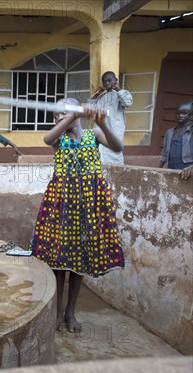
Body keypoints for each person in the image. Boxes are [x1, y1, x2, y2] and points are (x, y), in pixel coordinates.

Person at [30, 99, 125, 333]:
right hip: (62, 207)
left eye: (63, 113)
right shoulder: (58, 139)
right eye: (56, 116)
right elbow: (47, 139)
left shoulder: (94, 135)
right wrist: (73, 115)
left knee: (80, 262)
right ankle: (57, 311)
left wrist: (102, 121)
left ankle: (70, 311)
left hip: (88, 207)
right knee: (59, 261)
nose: (58, 118)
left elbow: (118, 146)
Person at [89, 71, 133, 165]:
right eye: (104, 81)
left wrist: (118, 89)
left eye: (109, 80)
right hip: (100, 133)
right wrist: (97, 94)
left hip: (114, 132)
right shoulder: (101, 97)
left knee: (114, 158)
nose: (107, 83)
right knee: (99, 159)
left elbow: (128, 102)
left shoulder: (121, 93)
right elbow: (90, 108)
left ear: (116, 80)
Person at [159, 100, 193, 180]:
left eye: (184, 113)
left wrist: (191, 167)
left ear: (191, 115)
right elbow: (164, 153)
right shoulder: (170, 132)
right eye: (178, 113)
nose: (180, 116)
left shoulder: (191, 132)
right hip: (171, 167)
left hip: (188, 170)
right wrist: (159, 168)